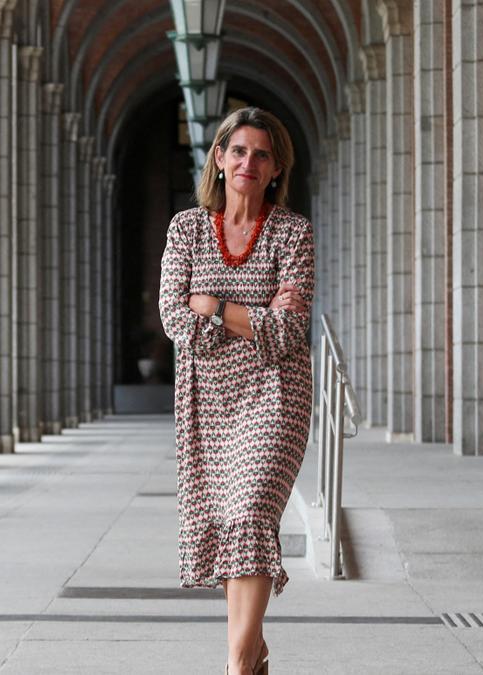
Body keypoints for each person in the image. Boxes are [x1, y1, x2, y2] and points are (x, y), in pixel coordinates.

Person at [158, 107, 314, 675]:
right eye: (239, 151)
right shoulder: (186, 229)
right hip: (208, 400)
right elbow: (176, 319)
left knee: (249, 511)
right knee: (228, 525)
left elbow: (288, 330)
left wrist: (216, 306)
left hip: (278, 394)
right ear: (219, 158)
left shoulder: (293, 232)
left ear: (277, 169)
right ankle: (253, 653)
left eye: (262, 154)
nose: (249, 162)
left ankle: (237, 666)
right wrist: (251, 317)